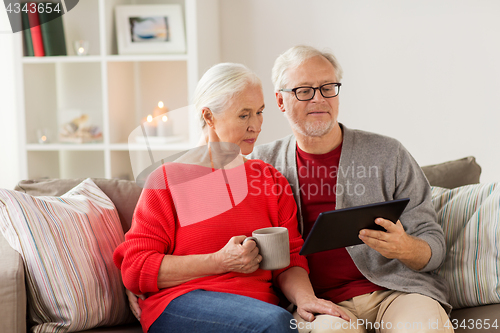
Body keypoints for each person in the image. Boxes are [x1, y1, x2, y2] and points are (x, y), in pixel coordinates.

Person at [113, 62, 350, 333]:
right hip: (183, 302)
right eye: (244, 115)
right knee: (276, 323)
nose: (256, 126)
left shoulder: (270, 180)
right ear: (209, 117)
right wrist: (219, 261)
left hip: (260, 310)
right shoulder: (167, 180)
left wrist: (306, 299)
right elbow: (135, 268)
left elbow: (291, 258)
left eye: (259, 112)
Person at [248, 45, 453, 333]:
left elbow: (434, 246)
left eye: (328, 87)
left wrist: (406, 248)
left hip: (397, 293)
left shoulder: (388, 153)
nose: (319, 99)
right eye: (304, 90)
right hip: (320, 305)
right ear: (280, 101)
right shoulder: (261, 164)